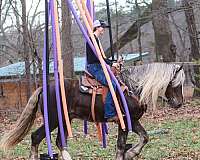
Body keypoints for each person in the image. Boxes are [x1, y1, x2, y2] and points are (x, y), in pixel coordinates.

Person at [86, 20, 118, 122]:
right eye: (102, 27)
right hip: (94, 67)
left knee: (115, 82)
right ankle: (109, 113)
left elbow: (101, 57)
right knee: (112, 84)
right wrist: (111, 64)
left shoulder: (96, 39)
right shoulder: (92, 39)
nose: (103, 29)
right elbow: (98, 57)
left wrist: (113, 62)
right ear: (97, 27)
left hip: (98, 66)